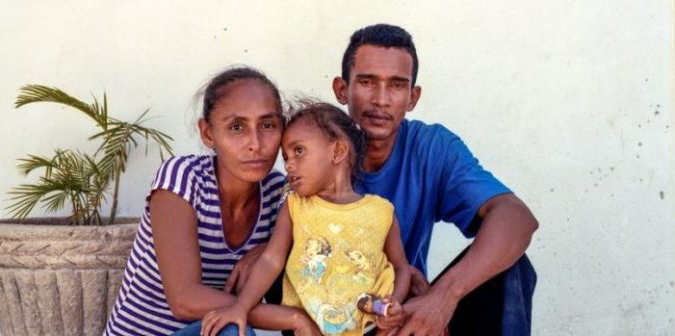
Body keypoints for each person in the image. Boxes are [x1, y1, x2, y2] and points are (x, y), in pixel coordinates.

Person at [331, 24, 539, 335]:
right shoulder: (314, 148)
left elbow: (516, 217)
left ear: (413, 97)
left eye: (397, 85)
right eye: (367, 82)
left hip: (409, 319)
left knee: (512, 266)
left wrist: (443, 298)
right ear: (341, 89)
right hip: (338, 320)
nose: (381, 99)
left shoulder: (431, 148)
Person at [104, 67, 319, 336]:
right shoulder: (183, 178)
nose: (255, 143)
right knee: (232, 328)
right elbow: (184, 299)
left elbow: (323, 246)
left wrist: (270, 248)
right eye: (236, 127)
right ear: (208, 133)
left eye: (267, 125)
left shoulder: (279, 193)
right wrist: (295, 319)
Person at [200, 102, 412, 336]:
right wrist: (241, 306)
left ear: (338, 151)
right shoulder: (295, 206)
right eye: (286, 156)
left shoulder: (381, 212)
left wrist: (394, 304)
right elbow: (271, 259)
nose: (289, 164)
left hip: (370, 328)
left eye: (298, 151)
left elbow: (401, 268)